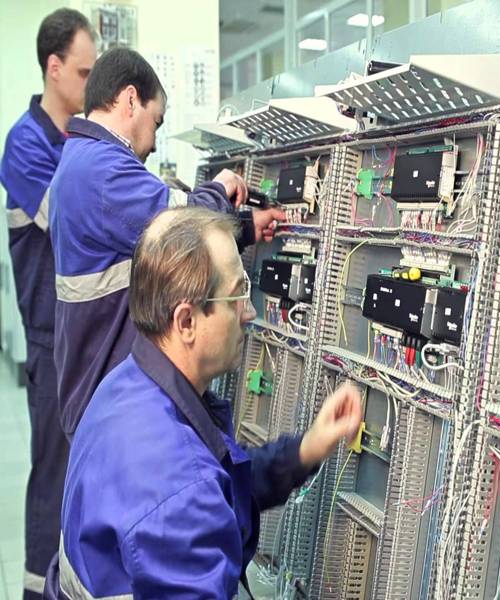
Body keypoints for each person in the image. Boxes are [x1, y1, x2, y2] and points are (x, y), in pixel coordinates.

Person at [45, 207, 362, 598]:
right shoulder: (179, 488)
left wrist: (306, 449)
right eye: (237, 295)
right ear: (186, 322)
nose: (250, 312)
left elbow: (221, 485)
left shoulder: (124, 385)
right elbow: (192, 493)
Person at [48, 47, 283, 439]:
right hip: (109, 399)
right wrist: (220, 187)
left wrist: (244, 227)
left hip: (97, 387)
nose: (155, 143)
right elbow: (179, 226)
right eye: (156, 122)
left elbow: (148, 242)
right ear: (130, 100)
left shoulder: (81, 161)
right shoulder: (101, 171)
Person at [0, 9, 96, 598]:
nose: (92, 83)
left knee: (83, 474)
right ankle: (38, 590)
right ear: (54, 67)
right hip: (50, 338)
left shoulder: (77, 140)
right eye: (85, 72)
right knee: (53, 479)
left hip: (83, 336)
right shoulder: (25, 143)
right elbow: (72, 218)